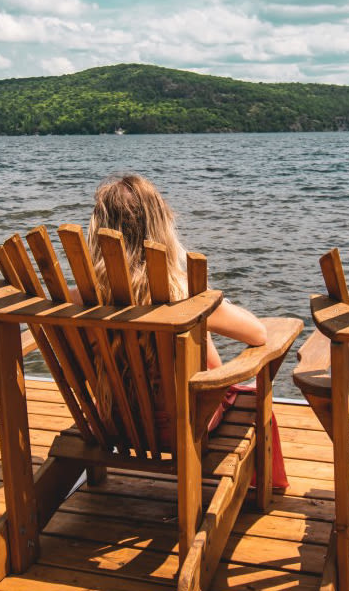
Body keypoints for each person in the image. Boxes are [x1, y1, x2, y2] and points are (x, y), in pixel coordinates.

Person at [85, 173, 287, 488]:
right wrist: (214, 306)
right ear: (160, 225)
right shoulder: (184, 293)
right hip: (177, 426)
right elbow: (257, 335)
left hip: (110, 421)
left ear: (97, 229)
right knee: (251, 398)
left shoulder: (81, 296)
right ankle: (255, 494)